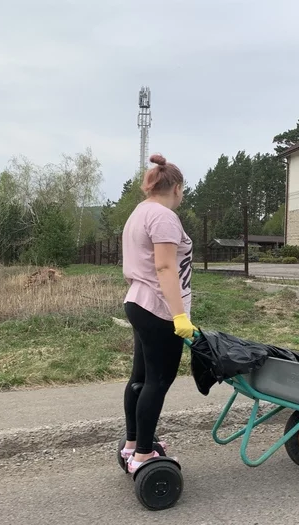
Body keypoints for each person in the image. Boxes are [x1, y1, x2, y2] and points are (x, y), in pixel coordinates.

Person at [120, 153, 196, 474]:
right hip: (160, 309)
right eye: (183, 192)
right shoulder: (164, 217)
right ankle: (144, 456)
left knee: (140, 378)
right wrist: (180, 317)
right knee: (158, 381)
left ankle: (133, 445)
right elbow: (165, 267)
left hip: (138, 303)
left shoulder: (139, 212)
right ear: (176, 188)